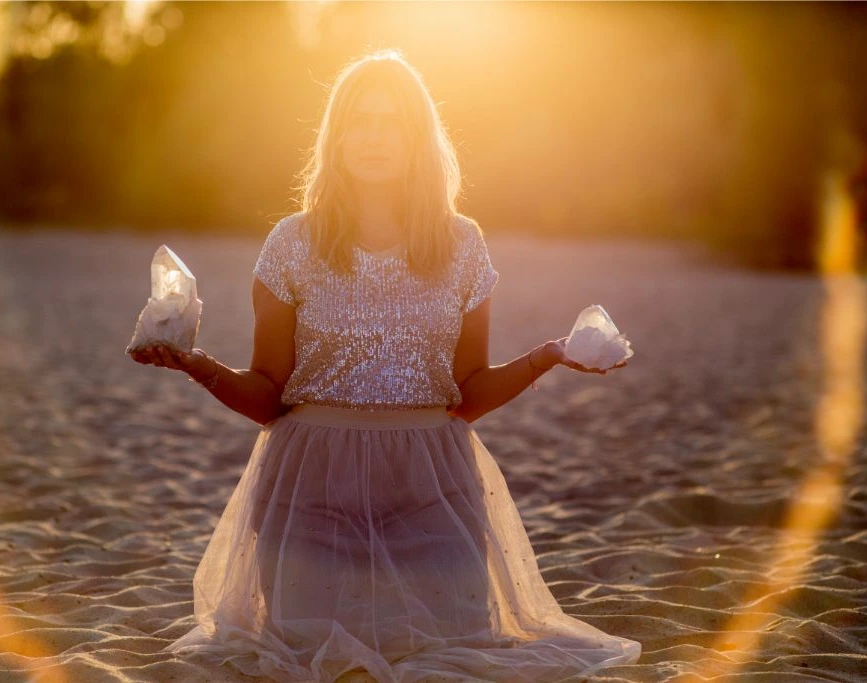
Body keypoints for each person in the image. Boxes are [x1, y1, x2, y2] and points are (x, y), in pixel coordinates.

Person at [129, 49, 640, 682]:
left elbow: (467, 397)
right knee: (314, 652)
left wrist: (552, 354)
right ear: (335, 138)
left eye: (390, 121)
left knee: (444, 648)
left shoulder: (462, 244)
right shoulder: (292, 242)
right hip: (311, 491)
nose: (373, 137)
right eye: (359, 121)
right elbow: (268, 399)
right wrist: (196, 364)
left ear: (416, 136)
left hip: (430, 487)